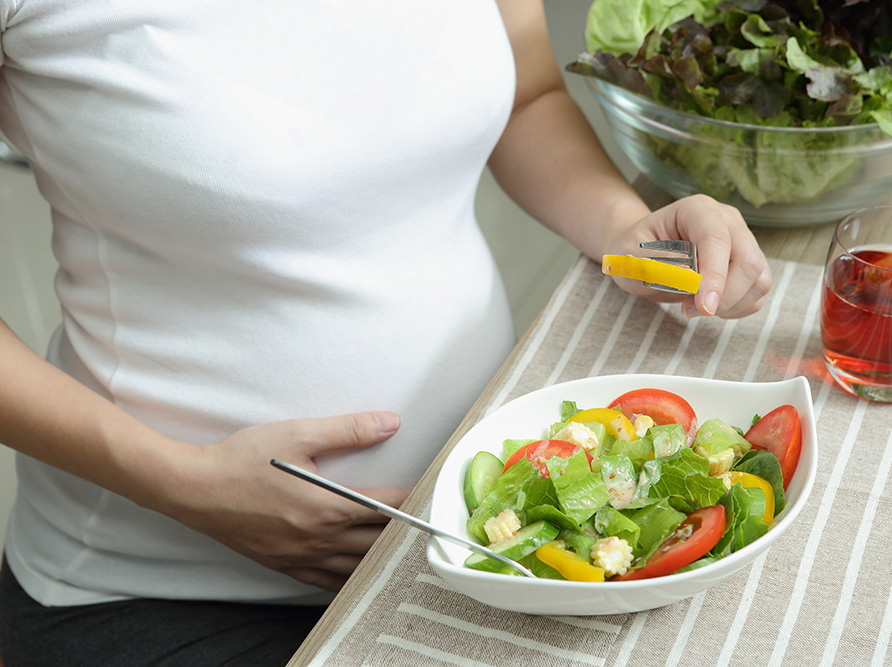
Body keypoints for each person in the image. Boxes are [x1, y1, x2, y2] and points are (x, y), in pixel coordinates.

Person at [0, 1, 771, 664]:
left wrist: (625, 228)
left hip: (482, 544)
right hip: (165, 586)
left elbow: (528, 92)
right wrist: (187, 488)